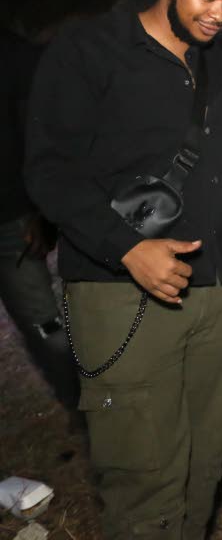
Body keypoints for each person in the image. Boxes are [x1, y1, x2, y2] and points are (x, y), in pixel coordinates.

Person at [24, 0, 222, 539]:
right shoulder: (89, 52)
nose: (221, 15)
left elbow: (220, 170)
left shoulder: (221, 66)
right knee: (144, 484)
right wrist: (127, 247)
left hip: (213, 298)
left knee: (203, 471)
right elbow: (49, 171)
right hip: (122, 296)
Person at [1, 28, 77, 411]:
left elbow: (41, 134)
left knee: (45, 326)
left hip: (10, 221)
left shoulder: (13, 55)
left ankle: (87, 408)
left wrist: (40, 208)